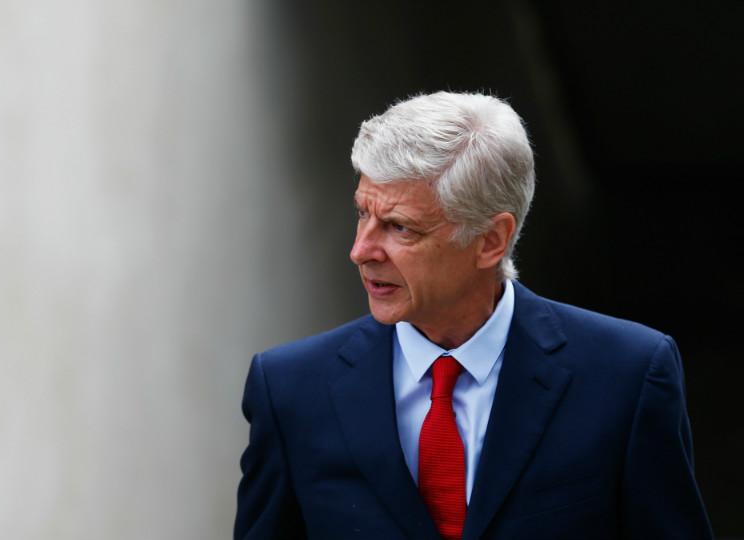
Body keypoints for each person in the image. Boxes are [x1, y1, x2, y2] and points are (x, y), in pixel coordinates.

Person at [234, 91, 713, 539]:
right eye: (363, 214)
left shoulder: (627, 376)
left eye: (400, 227)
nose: (361, 251)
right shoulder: (290, 391)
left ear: (491, 241)